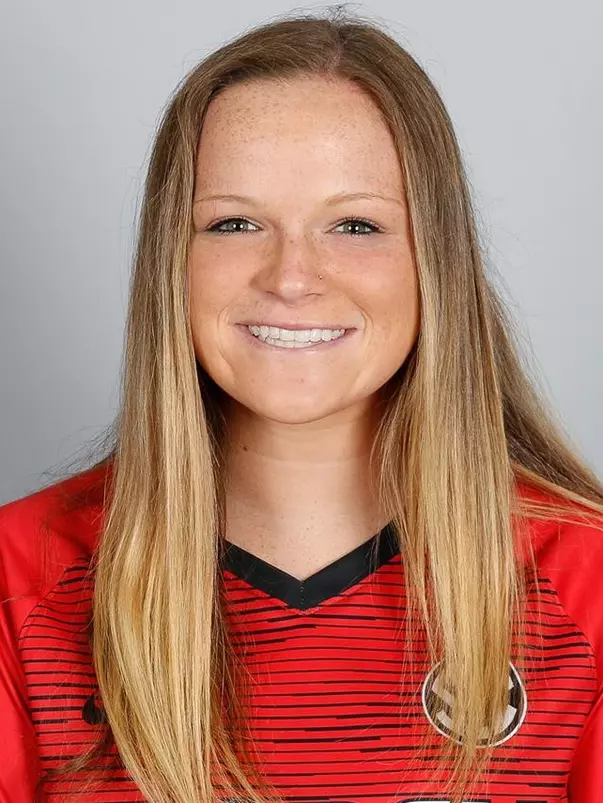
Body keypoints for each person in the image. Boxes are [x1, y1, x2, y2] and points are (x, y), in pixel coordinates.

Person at [1, 9, 602, 803]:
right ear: (170, 260)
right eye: (234, 223)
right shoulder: (20, 580)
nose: (290, 276)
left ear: (435, 259)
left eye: (355, 224)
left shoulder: (585, 584)